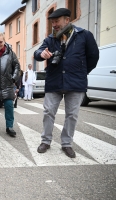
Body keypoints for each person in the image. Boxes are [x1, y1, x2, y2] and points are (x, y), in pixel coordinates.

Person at [34, 8, 99, 158]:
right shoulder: (50, 39)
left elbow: (93, 57)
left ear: (67, 20)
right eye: (52, 22)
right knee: (48, 112)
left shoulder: (84, 36)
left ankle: (67, 143)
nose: (54, 25)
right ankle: (46, 141)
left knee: (72, 115)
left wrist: (81, 72)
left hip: (76, 83)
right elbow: (37, 53)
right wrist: (41, 54)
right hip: (54, 81)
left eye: (57, 21)